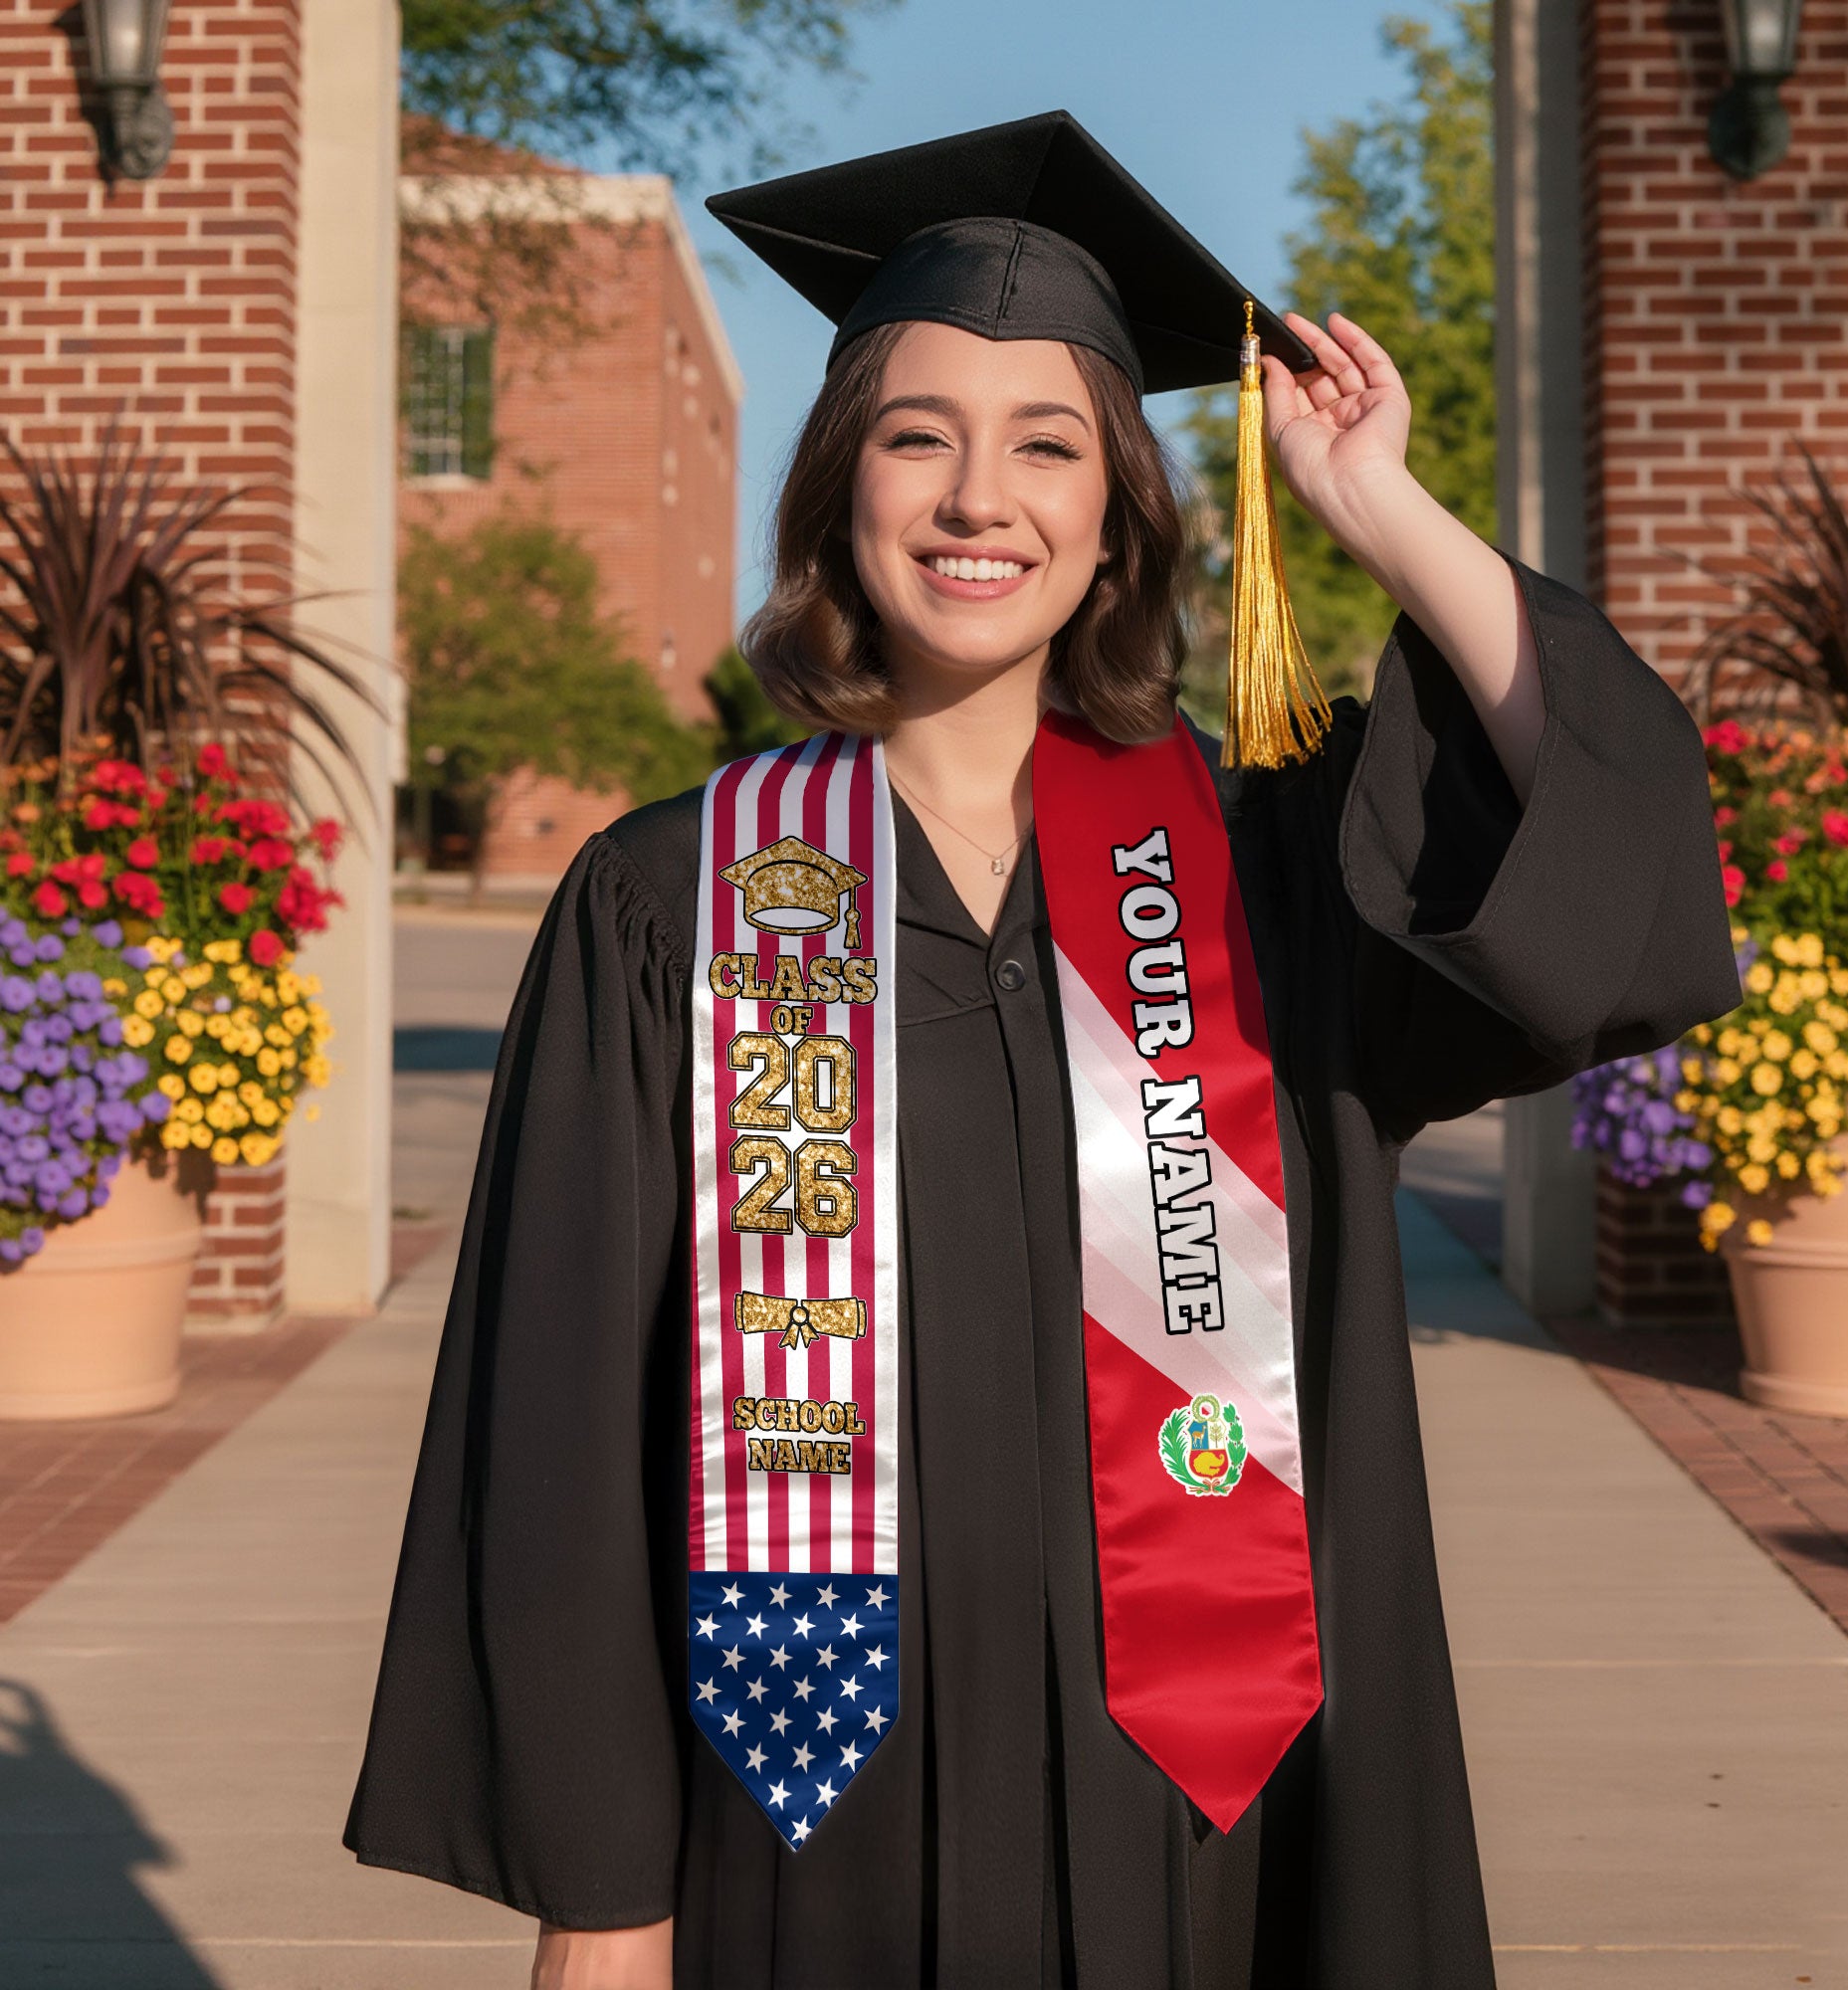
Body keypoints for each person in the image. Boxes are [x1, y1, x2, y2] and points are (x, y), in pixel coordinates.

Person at [342, 111, 1742, 1989]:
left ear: (1116, 520)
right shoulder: (668, 904)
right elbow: (563, 1426)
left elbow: (1609, 858)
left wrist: (1377, 507)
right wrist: (602, 1897)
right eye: (919, 437)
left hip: (1221, 1821)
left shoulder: (1269, 879)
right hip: (804, 1825)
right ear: (843, 487)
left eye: (1047, 446)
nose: (976, 498)